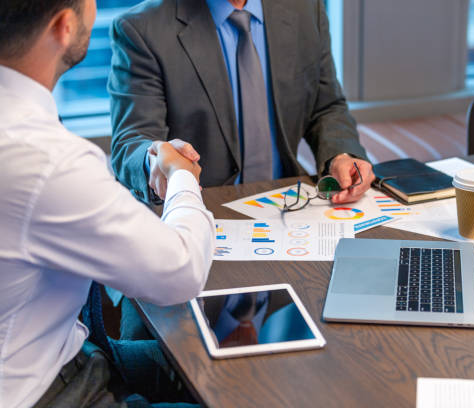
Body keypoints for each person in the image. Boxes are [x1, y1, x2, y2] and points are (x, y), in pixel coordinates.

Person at [0, 0, 215, 406]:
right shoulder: (46, 161)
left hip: (56, 347)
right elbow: (181, 270)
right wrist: (182, 174)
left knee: (214, 367)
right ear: (64, 25)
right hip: (47, 388)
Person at [108, 0, 375, 206]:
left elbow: (326, 106)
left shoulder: (305, 8)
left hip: (289, 200)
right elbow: (131, 142)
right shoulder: (142, 29)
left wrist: (341, 154)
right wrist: (153, 160)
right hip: (201, 208)